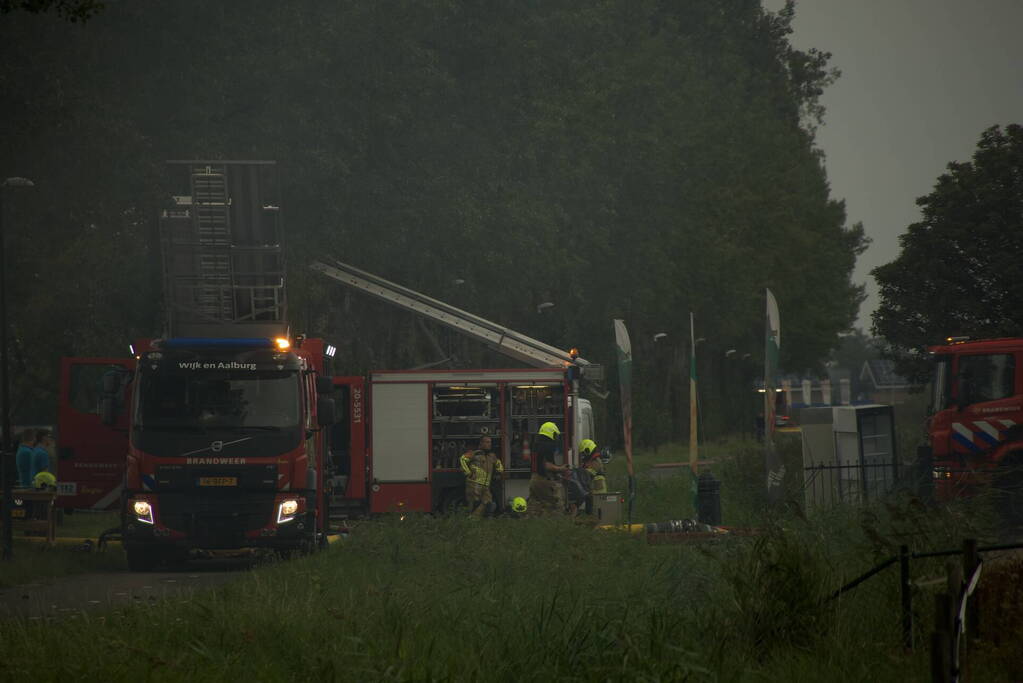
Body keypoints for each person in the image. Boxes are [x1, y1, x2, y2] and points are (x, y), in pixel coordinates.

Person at [529, 421, 569, 513]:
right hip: (543, 480)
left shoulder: (536, 445)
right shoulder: (548, 446)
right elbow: (547, 465)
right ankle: (556, 525)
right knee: (555, 506)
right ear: (551, 433)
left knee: (534, 507)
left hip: (534, 479)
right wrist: (561, 468)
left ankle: (532, 524)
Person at [459, 444, 490, 516]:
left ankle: (474, 518)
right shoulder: (474, 453)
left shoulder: (488, 456)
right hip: (474, 483)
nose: (489, 444)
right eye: (487, 443)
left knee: (483, 502)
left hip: (482, 484)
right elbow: (463, 459)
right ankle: (471, 519)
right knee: (473, 503)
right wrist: (468, 473)